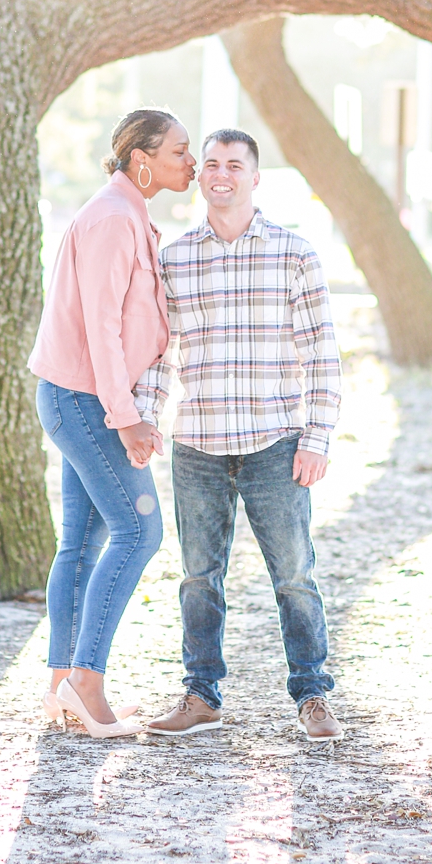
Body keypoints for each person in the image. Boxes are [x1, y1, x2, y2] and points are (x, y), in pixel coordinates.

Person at [137, 129, 346, 743]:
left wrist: (318, 436)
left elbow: (323, 356)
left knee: (294, 576)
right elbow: (157, 353)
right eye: (211, 164)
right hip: (197, 443)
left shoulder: (294, 253)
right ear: (199, 176)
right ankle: (200, 695)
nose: (220, 174)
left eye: (234, 165)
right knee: (199, 577)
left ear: (257, 178)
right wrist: (146, 416)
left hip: (275, 442)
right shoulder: (174, 258)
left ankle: (312, 695)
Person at [28, 108, 196, 738]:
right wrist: (126, 420)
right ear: (143, 158)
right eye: (180, 151)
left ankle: (61, 688)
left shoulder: (127, 214)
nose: (192, 163)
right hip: (86, 403)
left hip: (84, 399)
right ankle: (87, 686)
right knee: (138, 532)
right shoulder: (113, 218)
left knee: (83, 544)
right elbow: (99, 325)